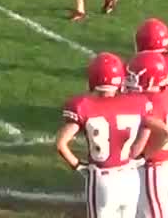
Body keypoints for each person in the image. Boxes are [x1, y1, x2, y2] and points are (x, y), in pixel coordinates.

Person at [55, 53, 151, 218]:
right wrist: (139, 153)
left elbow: (61, 144)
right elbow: (149, 127)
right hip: (130, 176)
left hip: (103, 179)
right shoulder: (137, 103)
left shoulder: (83, 106)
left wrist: (78, 166)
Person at [129, 51, 168, 218]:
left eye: (135, 76)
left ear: (151, 79)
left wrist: (143, 155)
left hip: (154, 167)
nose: (131, 80)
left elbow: (163, 133)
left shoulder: (150, 102)